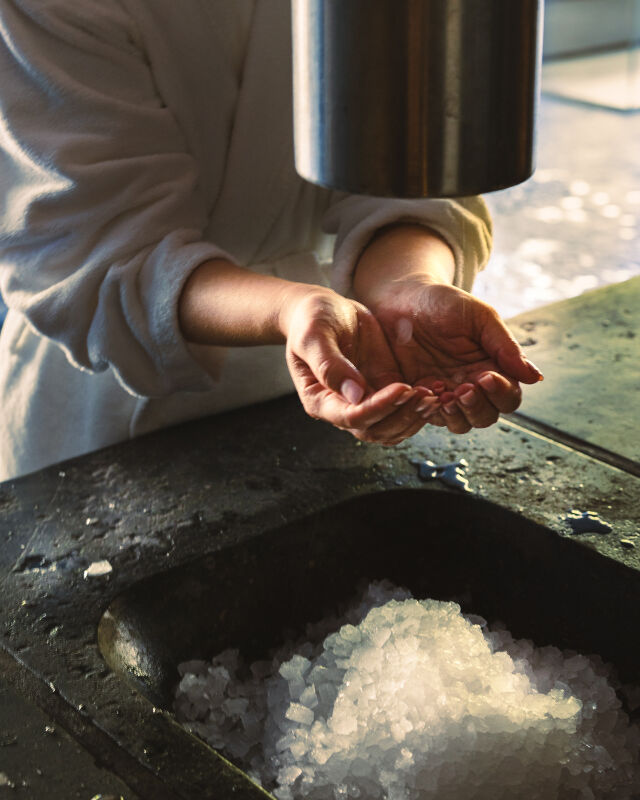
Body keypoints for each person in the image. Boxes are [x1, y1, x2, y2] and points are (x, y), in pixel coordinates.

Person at [0, 0, 541, 482]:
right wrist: (291, 310)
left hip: (343, 377)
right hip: (111, 429)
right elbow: (101, 251)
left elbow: (405, 170)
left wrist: (406, 284)